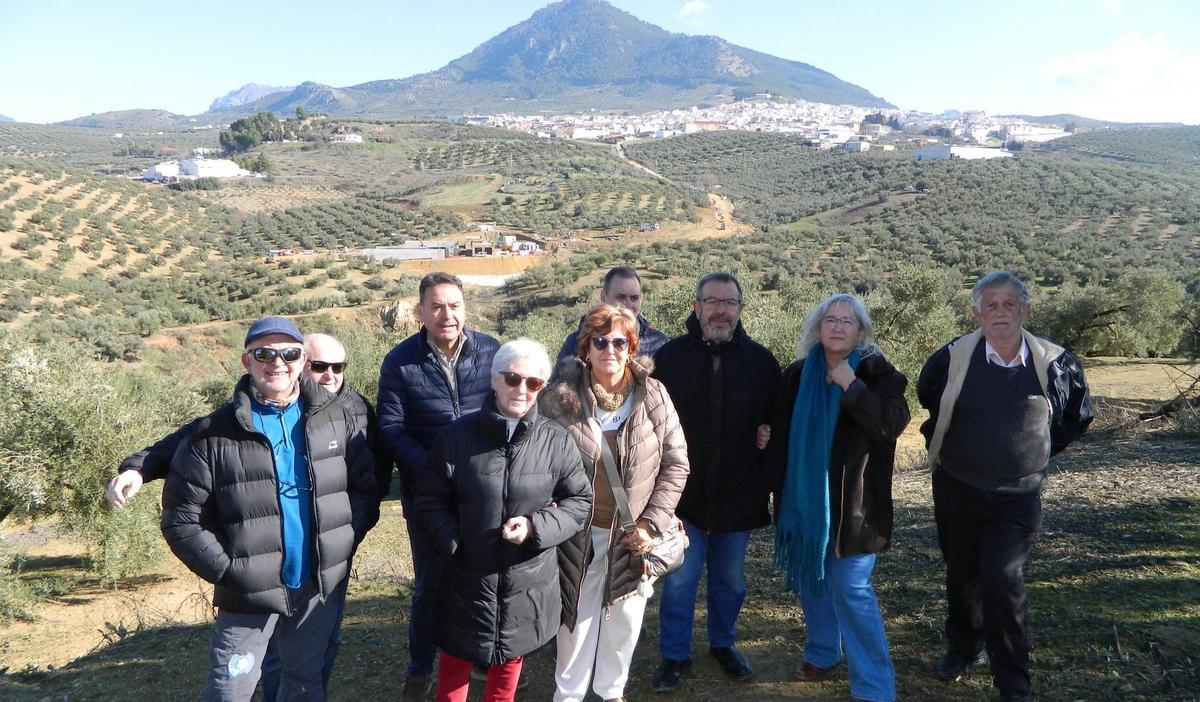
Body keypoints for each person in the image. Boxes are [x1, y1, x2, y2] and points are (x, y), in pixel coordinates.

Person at [106, 331, 381, 699]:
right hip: (250, 583)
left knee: (308, 673)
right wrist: (230, 570)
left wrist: (341, 539)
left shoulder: (350, 411)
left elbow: (368, 482)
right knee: (232, 687)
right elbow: (184, 469)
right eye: (319, 365)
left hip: (320, 573)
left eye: (337, 367)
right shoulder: (225, 425)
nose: (328, 374)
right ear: (249, 361)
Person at [918, 271, 1093, 702]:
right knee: (962, 574)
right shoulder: (952, 358)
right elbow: (928, 397)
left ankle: (1013, 682)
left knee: (1003, 578)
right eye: (990, 304)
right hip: (957, 486)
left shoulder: (1056, 363)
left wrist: (1036, 454)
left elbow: (1077, 417)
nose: (1000, 312)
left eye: (1010, 303)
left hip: (1017, 495)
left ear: (1025, 310)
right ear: (976, 311)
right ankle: (963, 648)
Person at [412, 338, 592, 702]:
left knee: (506, 677)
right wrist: (456, 543)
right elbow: (428, 499)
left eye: (533, 382)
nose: (521, 389)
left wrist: (536, 527)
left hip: (525, 579)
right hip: (465, 577)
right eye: (512, 378)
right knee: (453, 673)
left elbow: (580, 501)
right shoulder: (456, 437)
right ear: (495, 380)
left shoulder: (556, 441)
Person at [540, 304, 690, 702]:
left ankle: (611, 693)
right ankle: (568, 696)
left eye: (619, 341)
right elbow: (539, 465)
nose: (610, 349)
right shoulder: (562, 400)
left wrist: (650, 525)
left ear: (632, 347)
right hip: (578, 536)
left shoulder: (653, 395)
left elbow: (677, 464)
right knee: (573, 625)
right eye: (600, 341)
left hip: (633, 537)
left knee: (624, 622)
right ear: (585, 349)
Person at [764, 294, 909, 702]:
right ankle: (824, 651)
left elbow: (892, 425)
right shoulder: (796, 375)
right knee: (813, 578)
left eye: (848, 321)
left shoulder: (877, 371)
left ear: (861, 330)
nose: (838, 327)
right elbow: (778, 424)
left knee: (851, 589)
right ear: (818, 327)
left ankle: (875, 686)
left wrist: (852, 386)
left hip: (857, 507)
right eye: (830, 320)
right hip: (806, 501)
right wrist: (766, 436)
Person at [649, 272, 781, 692]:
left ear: (740, 309)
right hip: (680, 499)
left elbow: (776, 420)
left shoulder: (761, 362)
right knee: (680, 582)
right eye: (713, 302)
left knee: (731, 581)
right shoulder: (669, 359)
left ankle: (723, 644)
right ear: (696, 307)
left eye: (730, 303)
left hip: (738, 496)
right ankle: (674, 656)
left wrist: (766, 439)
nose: (721, 310)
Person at [376, 271, 500, 701]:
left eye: (454, 305)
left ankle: (482, 656)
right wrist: (433, 472)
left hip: (484, 491)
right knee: (431, 583)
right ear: (421, 311)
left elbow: (507, 413)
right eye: (436, 306)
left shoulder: (491, 351)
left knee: (483, 576)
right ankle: (420, 667)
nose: (446, 314)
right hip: (428, 496)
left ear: (465, 308)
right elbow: (390, 429)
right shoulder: (400, 361)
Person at [554, 267, 669, 369]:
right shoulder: (577, 342)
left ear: (641, 299)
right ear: (604, 297)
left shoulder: (658, 342)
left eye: (634, 298)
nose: (628, 304)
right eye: (620, 297)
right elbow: (557, 388)